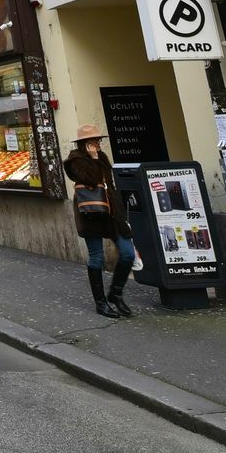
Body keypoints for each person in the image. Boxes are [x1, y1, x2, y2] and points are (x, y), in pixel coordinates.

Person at [65, 123, 134, 319]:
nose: (98, 143)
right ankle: (101, 303)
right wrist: (94, 160)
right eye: (94, 141)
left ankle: (116, 293)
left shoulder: (102, 158)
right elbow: (91, 179)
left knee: (128, 253)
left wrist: (120, 211)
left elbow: (108, 185)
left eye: (99, 140)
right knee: (97, 257)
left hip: (112, 213)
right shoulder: (75, 160)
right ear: (85, 144)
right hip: (91, 212)